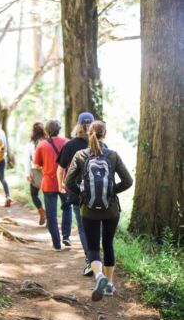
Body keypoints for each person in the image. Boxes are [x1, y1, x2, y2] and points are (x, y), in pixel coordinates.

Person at [65, 120, 133, 301]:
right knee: (108, 245)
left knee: (94, 247)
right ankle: (109, 284)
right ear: (105, 134)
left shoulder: (80, 155)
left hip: (88, 210)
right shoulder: (112, 155)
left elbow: (68, 182)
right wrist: (111, 192)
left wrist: (83, 194)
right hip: (110, 210)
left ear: (89, 134)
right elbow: (128, 181)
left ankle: (99, 276)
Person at [56, 112, 95, 276]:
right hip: (97, 193)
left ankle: (90, 260)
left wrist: (60, 185)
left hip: (76, 193)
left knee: (82, 227)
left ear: (77, 126)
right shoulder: (101, 145)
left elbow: (60, 169)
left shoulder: (70, 145)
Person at [34, 119, 72, 251]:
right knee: (67, 208)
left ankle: (56, 244)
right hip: (65, 182)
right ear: (59, 129)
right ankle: (66, 236)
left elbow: (37, 164)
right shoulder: (67, 142)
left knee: (51, 215)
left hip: (49, 183)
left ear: (47, 131)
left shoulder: (42, 145)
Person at [24, 122, 47, 225]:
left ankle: (41, 211)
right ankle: (50, 220)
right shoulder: (48, 141)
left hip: (36, 172)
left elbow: (26, 160)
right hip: (48, 171)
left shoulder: (30, 144)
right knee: (48, 196)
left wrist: (27, 174)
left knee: (34, 194)